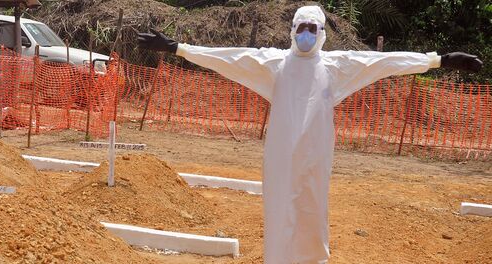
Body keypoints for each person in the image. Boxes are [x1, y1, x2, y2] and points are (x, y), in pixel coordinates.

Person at [137, 5, 483, 264]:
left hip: (317, 154)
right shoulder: (273, 63)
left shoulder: (337, 66)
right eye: (301, 26)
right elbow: (227, 58)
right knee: (279, 209)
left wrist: (440, 59)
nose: (306, 33)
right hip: (280, 155)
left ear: (322, 32)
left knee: (312, 210)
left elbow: (385, 62)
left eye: (312, 28)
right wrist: (177, 48)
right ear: (292, 30)